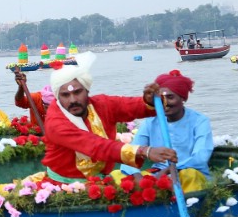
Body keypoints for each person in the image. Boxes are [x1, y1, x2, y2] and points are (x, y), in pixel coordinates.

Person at [39, 53, 174, 185]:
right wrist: (145, 151)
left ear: (87, 91)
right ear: (57, 97)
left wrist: (149, 101)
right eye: (65, 95)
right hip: (62, 186)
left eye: (77, 92)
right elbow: (95, 146)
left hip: (100, 181)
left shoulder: (101, 104)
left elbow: (129, 106)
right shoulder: (55, 123)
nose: (73, 100)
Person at [132, 70, 213, 192]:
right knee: (119, 175)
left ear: (182, 99)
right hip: (157, 174)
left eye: (170, 97)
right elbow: (132, 151)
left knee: (189, 175)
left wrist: (169, 170)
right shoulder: (150, 121)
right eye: (161, 99)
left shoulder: (200, 121)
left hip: (188, 172)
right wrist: (136, 175)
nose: (165, 103)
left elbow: (200, 158)